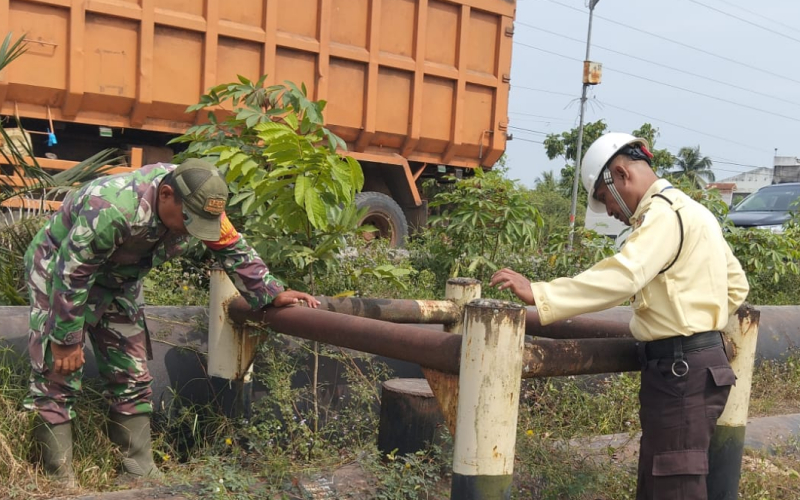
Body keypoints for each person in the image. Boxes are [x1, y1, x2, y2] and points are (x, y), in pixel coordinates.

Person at [24, 158, 320, 485]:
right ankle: (57, 480)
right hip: (59, 273)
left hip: (118, 281)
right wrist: (66, 340)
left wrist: (270, 291)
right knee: (59, 372)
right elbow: (73, 273)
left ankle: (138, 474)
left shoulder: (200, 199)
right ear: (166, 194)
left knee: (132, 373)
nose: (194, 231)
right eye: (188, 221)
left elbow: (231, 247)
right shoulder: (111, 207)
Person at [490, 133, 749, 500]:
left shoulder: (662, 215)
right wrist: (696, 318)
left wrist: (542, 293)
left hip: (681, 371)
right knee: (663, 480)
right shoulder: (693, 211)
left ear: (621, 174)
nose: (609, 211)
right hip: (695, 368)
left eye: (604, 198)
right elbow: (736, 287)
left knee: (673, 486)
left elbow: (625, 274)